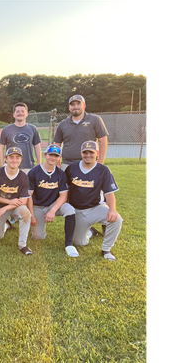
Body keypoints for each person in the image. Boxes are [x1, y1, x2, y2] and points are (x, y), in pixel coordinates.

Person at [52, 94, 109, 239]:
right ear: (69, 107)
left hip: (90, 164)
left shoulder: (94, 119)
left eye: (78, 104)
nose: (75, 107)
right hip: (68, 165)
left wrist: (100, 164)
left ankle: (105, 223)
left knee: (98, 195)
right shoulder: (63, 124)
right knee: (70, 196)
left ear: (84, 105)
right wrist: (58, 166)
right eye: (72, 104)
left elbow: (103, 141)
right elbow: (57, 145)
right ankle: (78, 225)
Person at [63, 141, 123, 261]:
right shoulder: (72, 168)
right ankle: (91, 231)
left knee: (117, 219)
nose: (88, 155)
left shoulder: (103, 170)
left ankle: (106, 249)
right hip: (77, 210)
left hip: (95, 208)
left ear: (97, 153)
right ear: (81, 153)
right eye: (85, 152)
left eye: (91, 152)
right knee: (80, 243)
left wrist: (112, 210)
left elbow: (109, 193)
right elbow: (65, 189)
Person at [0, 147, 34, 255]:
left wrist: (7, 207)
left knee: (26, 213)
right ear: (6, 158)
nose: (14, 160)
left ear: (21, 160)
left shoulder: (23, 177)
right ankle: (6, 224)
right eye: (11, 157)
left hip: (14, 206)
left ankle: (22, 245)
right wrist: (8, 202)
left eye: (17, 158)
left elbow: (24, 200)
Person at [26, 144, 76, 241]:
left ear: (59, 158)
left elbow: (63, 195)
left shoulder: (61, 173)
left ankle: (69, 242)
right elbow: (29, 196)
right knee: (38, 237)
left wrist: (52, 210)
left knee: (69, 209)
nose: (53, 158)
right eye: (50, 155)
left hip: (53, 204)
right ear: (45, 155)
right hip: (37, 206)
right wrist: (31, 215)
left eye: (56, 156)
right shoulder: (34, 172)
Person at [0, 102, 42, 174]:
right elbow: (1, 147)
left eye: (22, 111)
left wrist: (39, 164)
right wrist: (1, 165)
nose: (20, 113)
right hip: (11, 166)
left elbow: (37, 146)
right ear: (14, 115)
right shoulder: (6, 129)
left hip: (28, 167)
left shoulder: (33, 129)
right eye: (17, 111)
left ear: (27, 114)